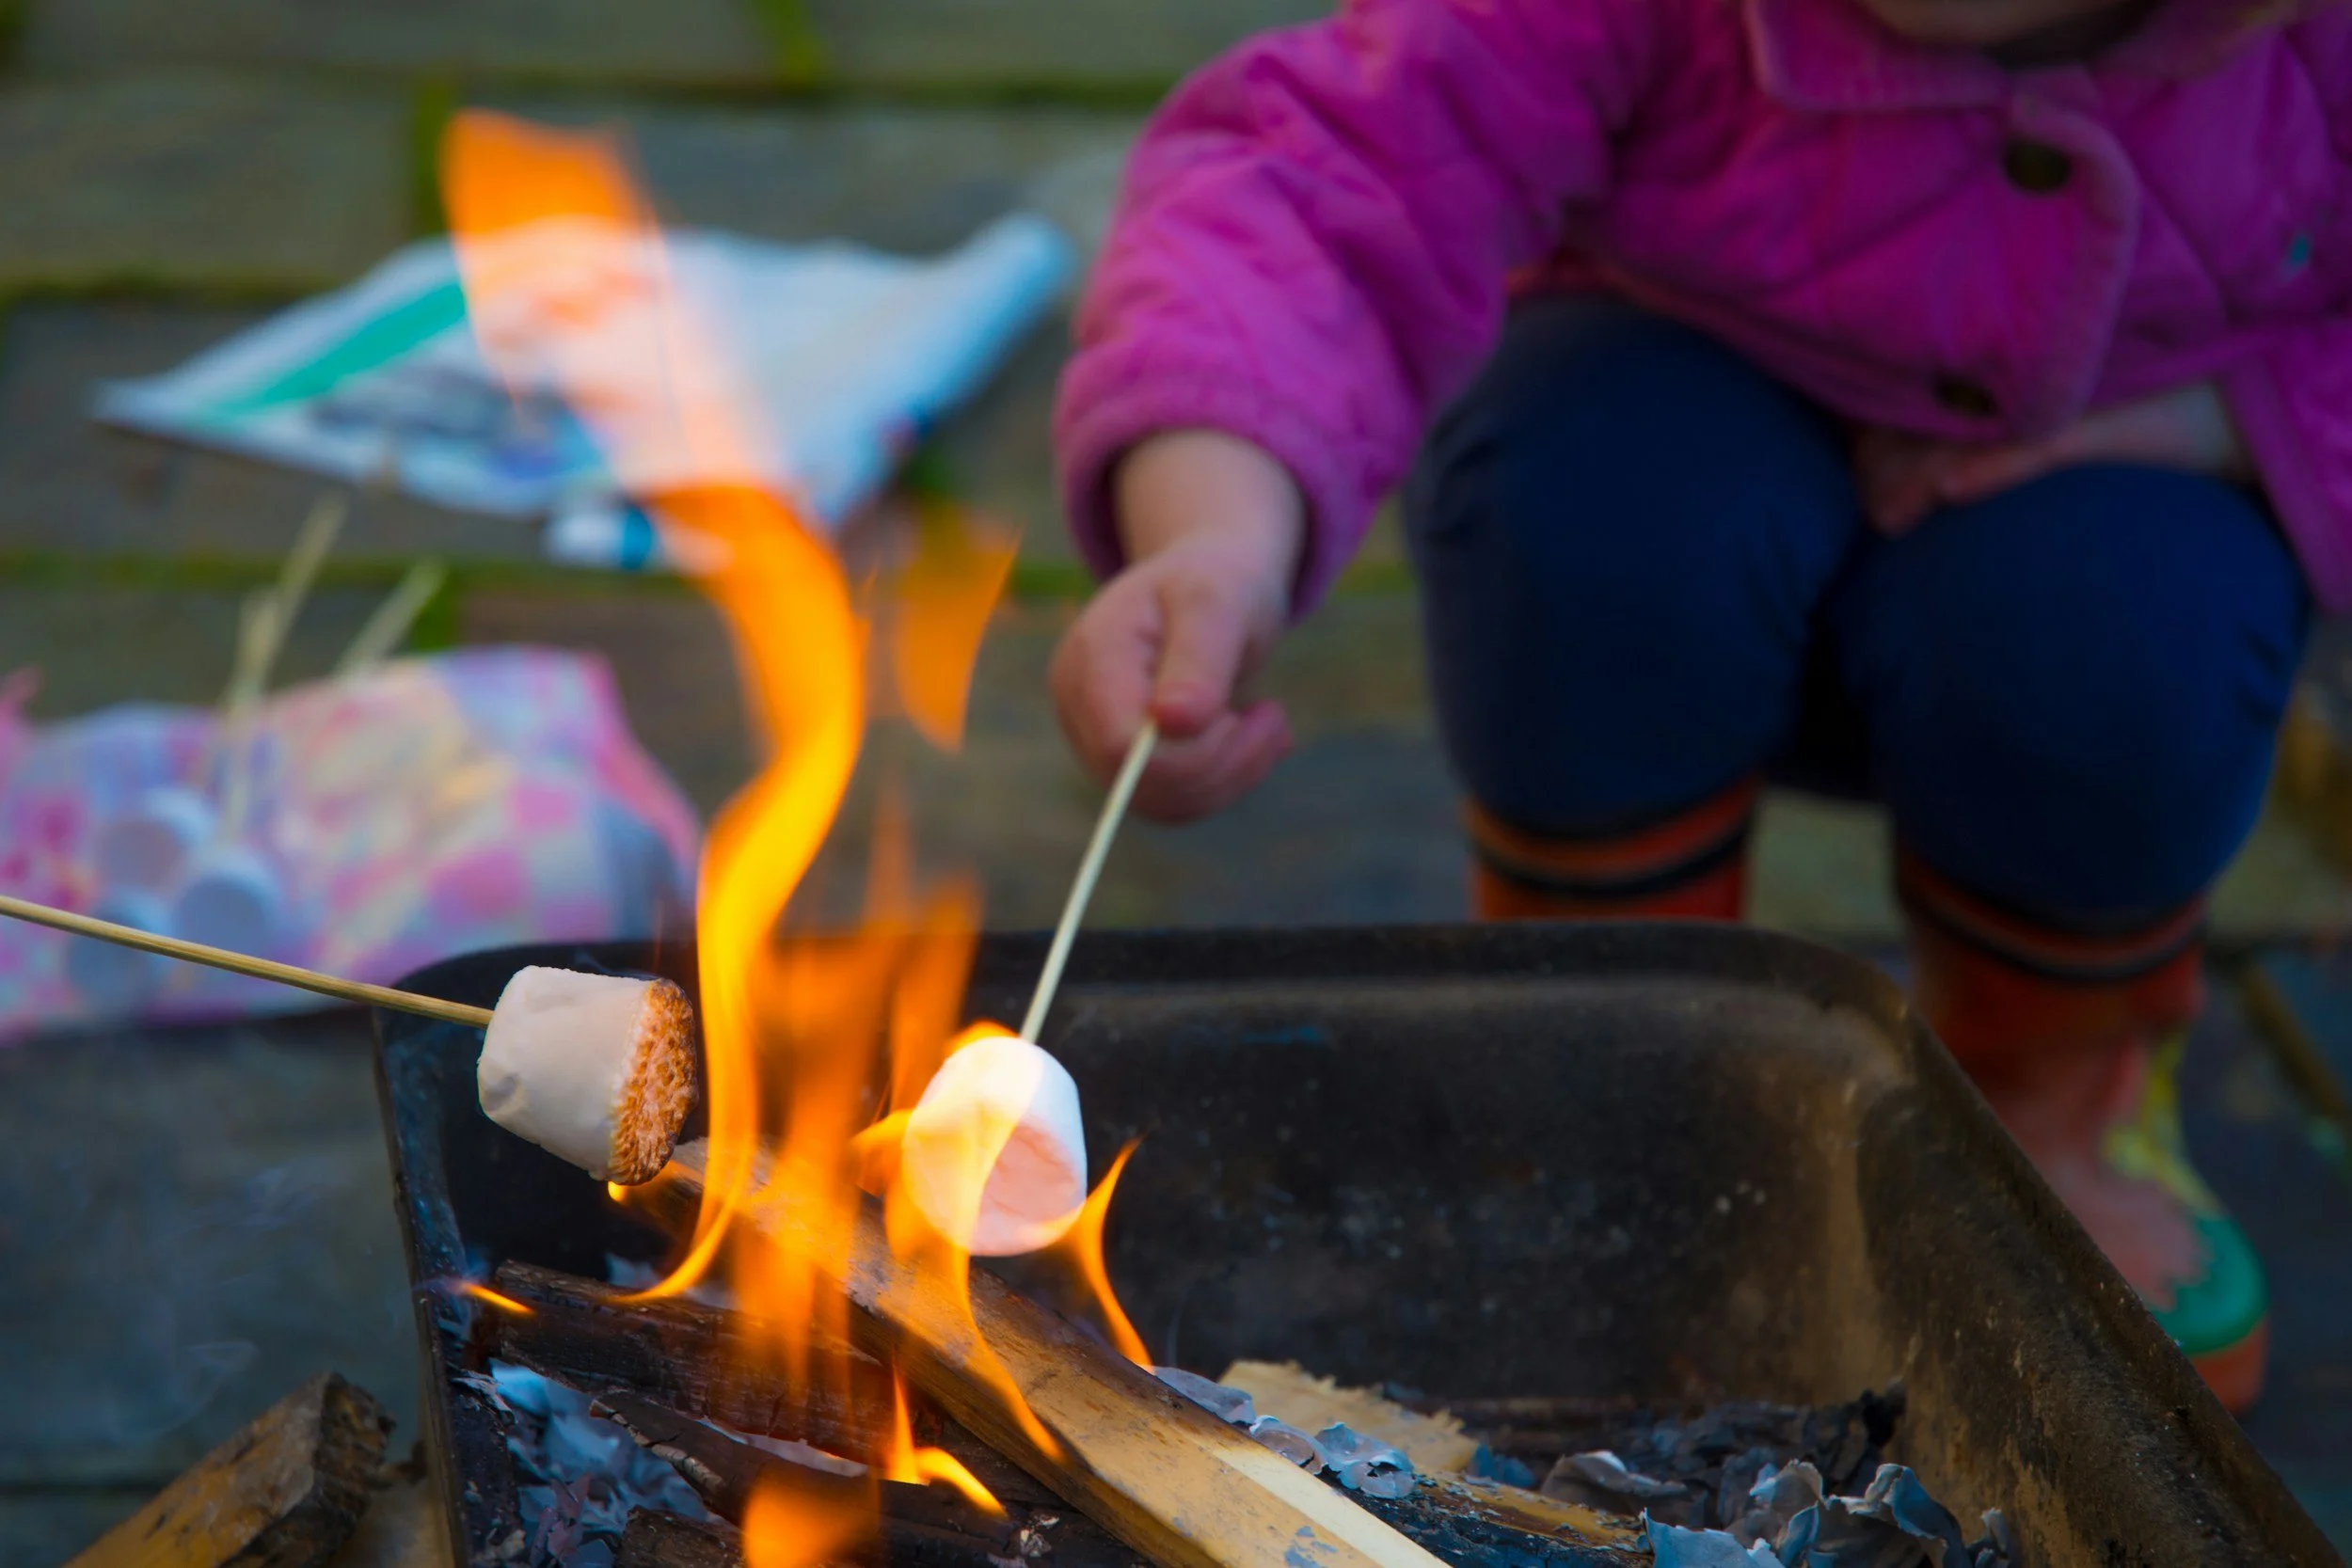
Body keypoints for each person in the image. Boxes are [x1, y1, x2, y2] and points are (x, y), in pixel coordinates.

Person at [1044, 0, 2352, 1412]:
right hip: (1682, 440)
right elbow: (1321, 175)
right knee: (1577, 499)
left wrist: (2238, 422)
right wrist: (1214, 530)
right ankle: (1597, 1065)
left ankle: (2045, 1106)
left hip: (2115, 499)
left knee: (2117, 633)